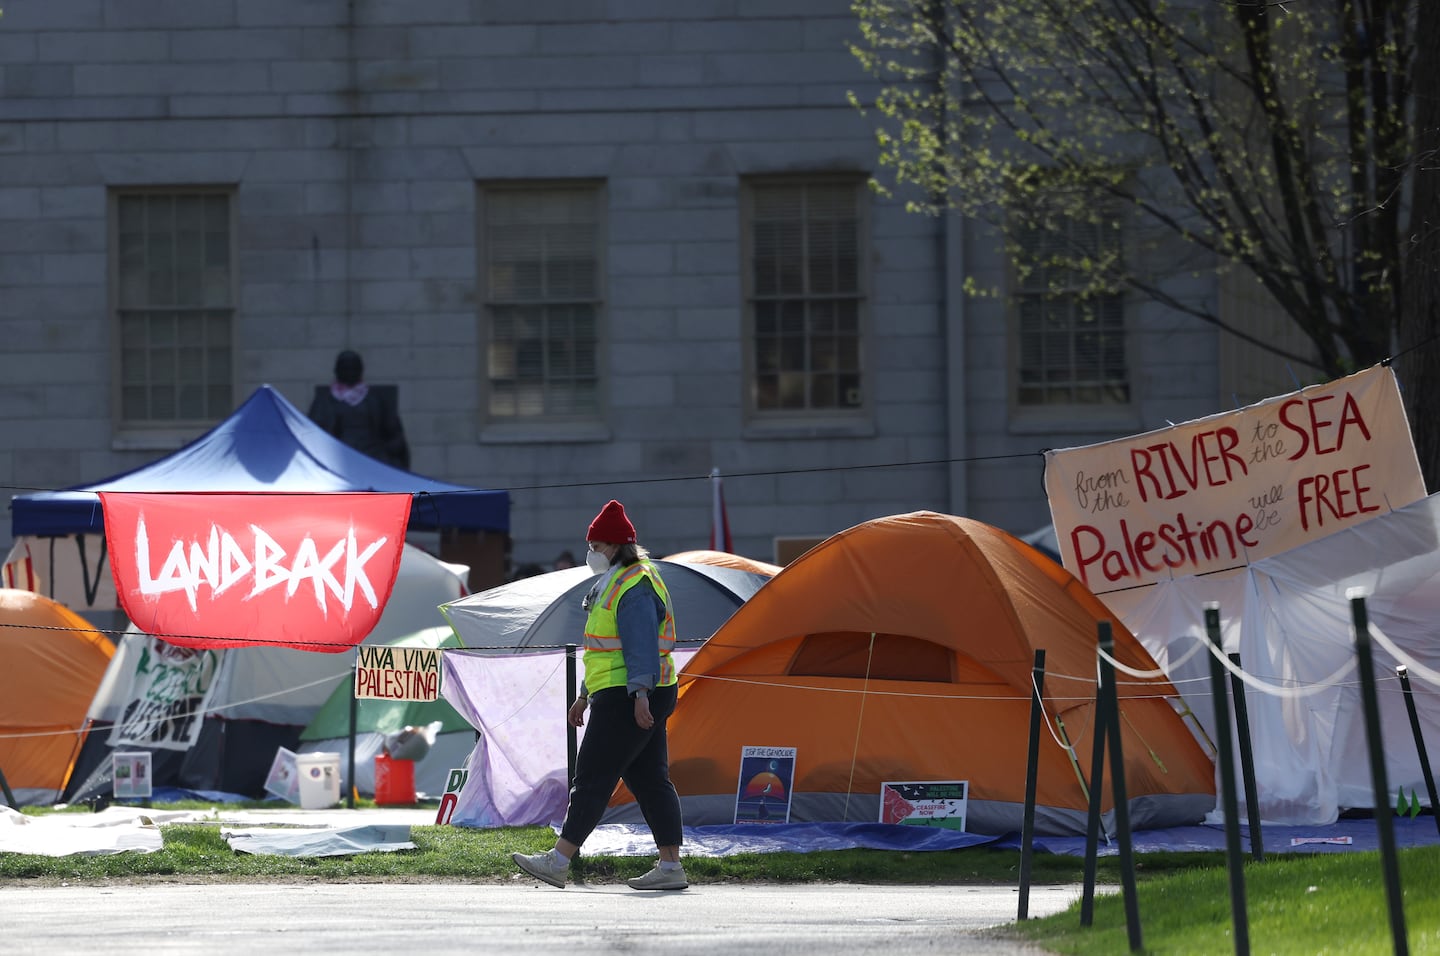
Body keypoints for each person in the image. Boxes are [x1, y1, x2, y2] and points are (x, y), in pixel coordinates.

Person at [511, 500, 687, 891]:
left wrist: (640, 695)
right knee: (650, 780)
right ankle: (671, 867)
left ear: (614, 546)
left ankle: (558, 861)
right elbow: (603, 648)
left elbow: (639, 645)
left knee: (592, 775)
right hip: (632, 691)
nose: (590, 553)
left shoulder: (635, 584)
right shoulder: (618, 580)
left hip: (632, 695)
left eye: (595, 546)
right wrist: (584, 694)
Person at [307, 349, 411, 470]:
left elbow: (394, 432)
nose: (350, 372)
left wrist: (389, 448)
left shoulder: (375, 399)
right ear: (337, 371)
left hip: (373, 454)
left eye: (354, 368)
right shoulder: (324, 401)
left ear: (360, 371)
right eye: (345, 368)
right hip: (339, 454)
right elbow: (313, 432)